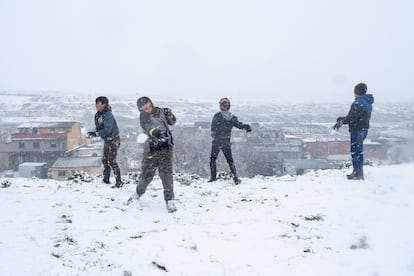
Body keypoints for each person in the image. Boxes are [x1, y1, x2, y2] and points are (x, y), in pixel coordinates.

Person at [127, 96, 177, 212]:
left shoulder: (161, 112)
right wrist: (155, 132)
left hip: (166, 147)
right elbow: (147, 127)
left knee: (166, 174)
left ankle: (169, 199)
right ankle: (138, 193)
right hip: (151, 148)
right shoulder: (143, 117)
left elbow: (172, 122)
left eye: (149, 106)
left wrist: (169, 115)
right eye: (145, 108)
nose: (148, 109)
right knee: (146, 173)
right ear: (141, 110)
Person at [209, 97, 251, 185]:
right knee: (230, 160)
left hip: (217, 141)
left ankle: (213, 178)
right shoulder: (232, 117)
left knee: (213, 159)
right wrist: (246, 127)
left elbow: (213, 130)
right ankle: (236, 179)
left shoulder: (217, 116)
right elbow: (239, 125)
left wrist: (215, 135)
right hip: (226, 141)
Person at [337, 83, 374, 180]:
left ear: (356, 92)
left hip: (357, 130)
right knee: (358, 151)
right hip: (364, 129)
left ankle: (358, 173)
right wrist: (344, 119)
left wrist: (342, 122)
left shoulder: (358, 103)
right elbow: (358, 116)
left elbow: (353, 117)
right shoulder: (367, 103)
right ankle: (357, 172)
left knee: (356, 152)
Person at [87, 96, 123, 188]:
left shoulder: (108, 115)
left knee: (111, 160)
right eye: (96, 103)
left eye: (98, 103)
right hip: (107, 140)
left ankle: (119, 181)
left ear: (104, 104)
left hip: (114, 139)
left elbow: (108, 129)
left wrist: (97, 134)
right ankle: (106, 179)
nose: (96, 105)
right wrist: (95, 131)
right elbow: (99, 127)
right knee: (105, 160)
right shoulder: (98, 115)